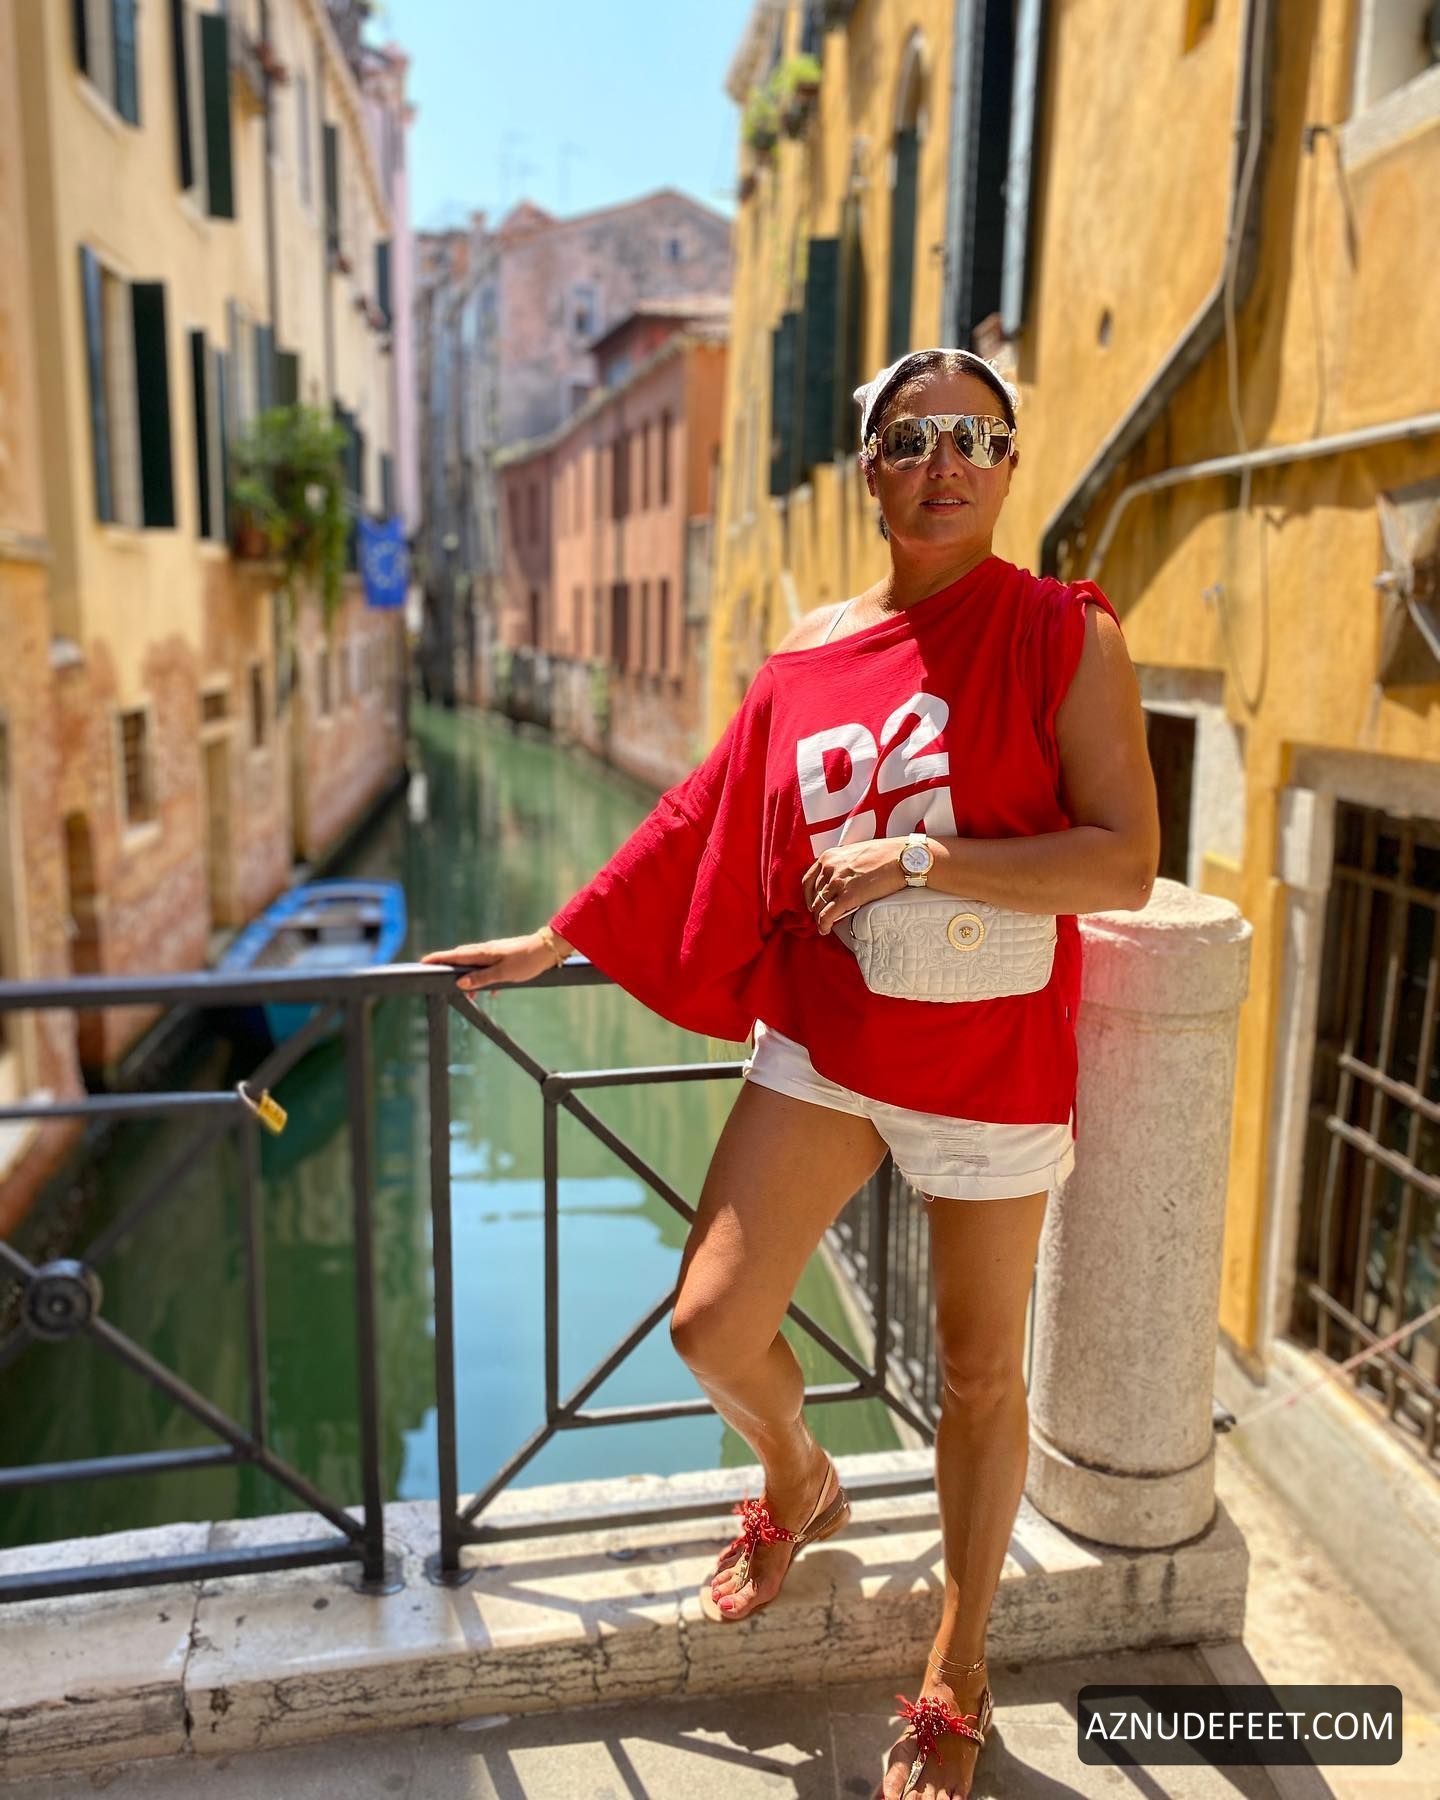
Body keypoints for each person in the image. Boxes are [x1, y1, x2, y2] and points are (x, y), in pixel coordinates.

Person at [424, 346, 1160, 1800]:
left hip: (990, 1051)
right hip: (829, 1039)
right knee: (711, 1324)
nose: (944, 463)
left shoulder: (1062, 634)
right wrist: (560, 933)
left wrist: (921, 858)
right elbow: (704, 810)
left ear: (1010, 467)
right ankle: (799, 1478)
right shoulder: (812, 652)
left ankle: (957, 1659)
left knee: (976, 1372)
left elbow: (1124, 864)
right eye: (912, 438)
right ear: (870, 469)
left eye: (975, 439)